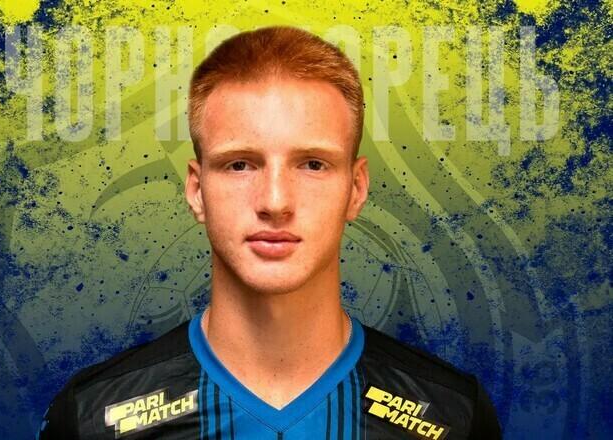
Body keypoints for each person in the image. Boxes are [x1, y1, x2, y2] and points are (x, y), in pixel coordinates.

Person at [37, 26, 501, 439]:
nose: (275, 201)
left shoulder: (453, 416)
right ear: (197, 191)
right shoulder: (91, 418)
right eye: (240, 164)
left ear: (356, 189)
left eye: (312, 164)